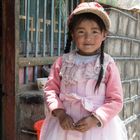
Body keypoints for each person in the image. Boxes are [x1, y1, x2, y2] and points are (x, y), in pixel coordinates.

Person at [40, 2, 128, 140]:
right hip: (64, 128)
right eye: (81, 32)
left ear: (104, 34)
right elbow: (50, 90)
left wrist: (95, 119)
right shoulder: (63, 62)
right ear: (73, 34)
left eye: (94, 31)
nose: (88, 38)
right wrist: (61, 114)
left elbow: (115, 100)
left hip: (98, 131)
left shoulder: (108, 64)